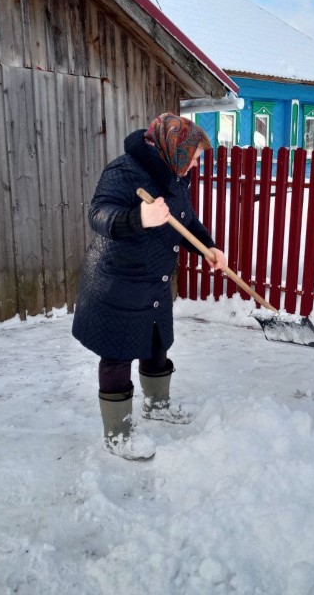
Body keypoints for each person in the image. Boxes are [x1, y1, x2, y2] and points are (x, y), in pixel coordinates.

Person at [72, 113, 227, 461]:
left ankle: (157, 405)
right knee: (117, 355)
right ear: (176, 149)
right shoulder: (124, 171)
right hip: (117, 281)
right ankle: (117, 435)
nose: (196, 164)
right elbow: (99, 213)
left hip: (153, 281)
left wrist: (209, 247)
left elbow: (185, 220)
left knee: (156, 343)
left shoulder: (174, 174)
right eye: (195, 157)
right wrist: (139, 217)